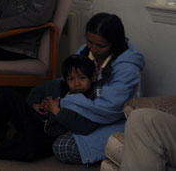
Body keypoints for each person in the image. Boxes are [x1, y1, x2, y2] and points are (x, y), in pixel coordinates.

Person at [0, 54, 99, 161]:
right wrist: (36, 104)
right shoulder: (59, 85)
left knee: (27, 149)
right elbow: (36, 91)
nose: (77, 84)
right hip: (36, 118)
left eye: (82, 78)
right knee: (5, 94)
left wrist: (57, 111)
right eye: (71, 79)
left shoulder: (90, 101)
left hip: (48, 135)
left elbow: (84, 127)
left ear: (92, 78)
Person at [52, 13, 145, 165]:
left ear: (115, 43)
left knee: (63, 147)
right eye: (90, 41)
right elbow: (70, 80)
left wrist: (66, 105)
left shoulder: (127, 69)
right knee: (42, 124)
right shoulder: (84, 50)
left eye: (101, 46)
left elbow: (108, 109)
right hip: (83, 107)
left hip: (108, 119)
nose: (94, 49)